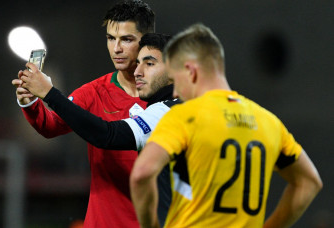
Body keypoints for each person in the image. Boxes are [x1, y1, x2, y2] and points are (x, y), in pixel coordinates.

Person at [130, 23, 323, 228]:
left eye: (176, 82)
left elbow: (142, 174)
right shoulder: (269, 122)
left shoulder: (183, 116)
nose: (175, 93)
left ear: (191, 71)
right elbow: (310, 182)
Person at [12, 1, 155, 227]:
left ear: (146, 41)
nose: (116, 48)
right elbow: (51, 126)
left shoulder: (169, 98)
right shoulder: (94, 91)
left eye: (126, 39)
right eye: (110, 38)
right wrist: (30, 103)